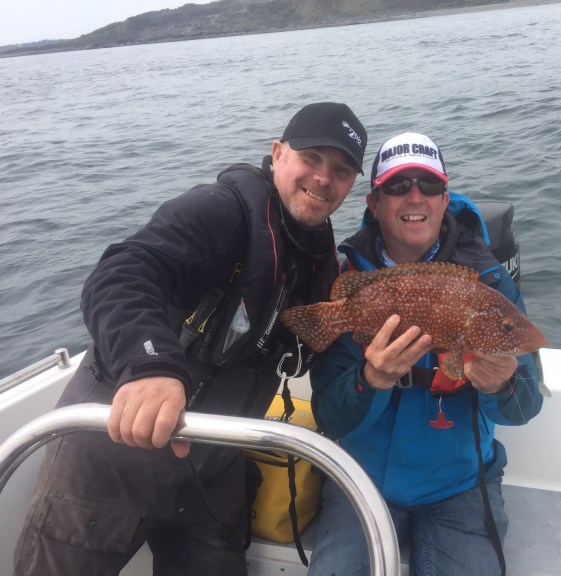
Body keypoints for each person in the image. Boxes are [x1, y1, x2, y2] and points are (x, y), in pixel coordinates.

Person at [13, 102, 368, 576]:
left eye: (341, 170)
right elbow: (121, 273)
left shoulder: (316, 253)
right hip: (114, 455)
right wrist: (150, 365)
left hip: (213, 464)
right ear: (278, 153)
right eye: (312, 158)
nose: (324, 178)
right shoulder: (220, 209)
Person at [307, 132, 544, 576]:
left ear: (444, 196)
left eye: (428, 184)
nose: (414, 196)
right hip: (360, 479)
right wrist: (370, 379)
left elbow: (526, 405)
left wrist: (503, 383)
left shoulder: (488, 285)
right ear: (374, 203)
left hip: (461, 484)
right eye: (396, 186)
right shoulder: (348, 279)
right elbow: (330, 417)